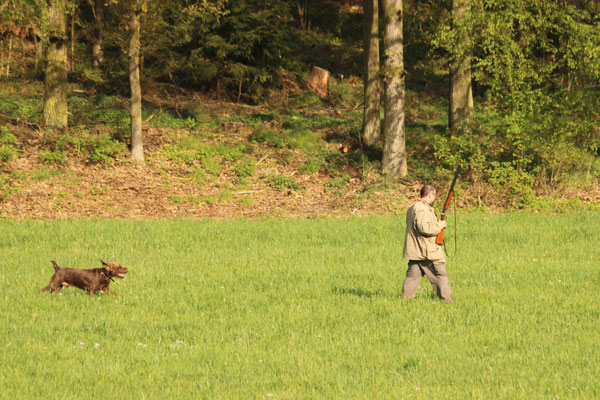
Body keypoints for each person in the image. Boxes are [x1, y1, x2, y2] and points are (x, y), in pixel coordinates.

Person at [401, 184, 453, 302]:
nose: (434, 199)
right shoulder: (422, 208)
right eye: (433, 196)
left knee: (412, 277)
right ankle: (447, 301)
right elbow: (425, 228)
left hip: (417, 250)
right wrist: (439, 225)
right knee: (440, 275)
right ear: (430, 195)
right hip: (427, 250)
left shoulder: (414, 206)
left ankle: (404, 302)